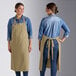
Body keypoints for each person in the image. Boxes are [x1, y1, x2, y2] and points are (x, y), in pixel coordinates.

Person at [38, 2, 70, 76]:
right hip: (55, 42)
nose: (45, 9)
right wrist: (62, 39)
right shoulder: (59, 20)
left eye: (46, 8)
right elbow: (67, 30)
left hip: (45, 42)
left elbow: (40, 35)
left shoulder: (44, 20)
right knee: (54, 62)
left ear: (49, 9)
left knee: (43, 62)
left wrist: (39, 45)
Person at [7, 2, 32, 76]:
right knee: (16, 66)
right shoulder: (11, 21)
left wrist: (30, 45)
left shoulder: (27, 20)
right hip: (15, 46)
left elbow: (30, 33)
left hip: (24, 46)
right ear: (16, 9)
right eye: (20, 8)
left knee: (25, 66)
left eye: (23, 9)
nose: (22, 10)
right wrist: (9, 45)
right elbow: (9, 34)